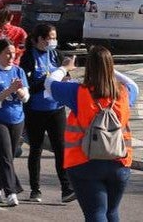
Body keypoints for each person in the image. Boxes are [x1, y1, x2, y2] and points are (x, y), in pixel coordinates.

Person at [46, 45, 137, 222]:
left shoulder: (78, 92)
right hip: (119, 162)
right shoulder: (124, 93)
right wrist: (109, 69)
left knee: (95, 213)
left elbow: (49, 84)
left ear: (89, 67)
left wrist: (65, 67)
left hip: (83, 162)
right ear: (110, 67)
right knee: (111, 212)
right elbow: (133, 84)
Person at [19, 24, 75, 203]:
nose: (53, 41)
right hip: (35, 110)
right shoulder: (28, 58)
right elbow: (27, 85)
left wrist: (65, 78)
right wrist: (48, 81)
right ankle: (35, 189)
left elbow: (64, 77)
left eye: (54, 37)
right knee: (36, 149)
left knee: (60, 148)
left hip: (56, 109)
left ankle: (66, 188)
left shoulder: (56, 55)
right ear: (39, 39)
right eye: (50, 38)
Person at [0, 38, 29, 206]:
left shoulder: (19, 71)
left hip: (17, 119)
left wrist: (20, 92)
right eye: (7, 53)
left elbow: (26, 97)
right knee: (4, 155)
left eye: (14, 53)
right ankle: (11, 192)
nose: (11, 56)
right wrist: (9, 90)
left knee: (8, 156)